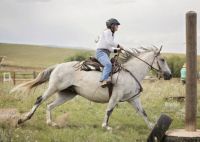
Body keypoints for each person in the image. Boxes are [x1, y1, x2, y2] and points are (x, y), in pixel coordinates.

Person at [96, 18, 123, 87]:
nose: (118, 27)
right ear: (112, 26)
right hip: (101, 53)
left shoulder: (111, 34)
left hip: (106, 53)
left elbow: (109, 48)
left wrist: (117, 50)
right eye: (116, 25)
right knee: (108, 65)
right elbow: (110, 42)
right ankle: (103, 80)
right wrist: (119, 46)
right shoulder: (108, 32)